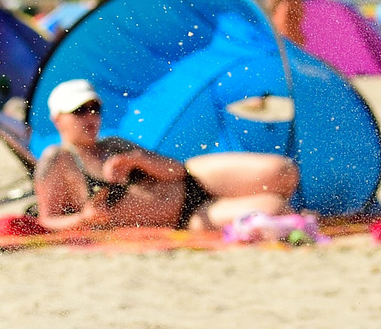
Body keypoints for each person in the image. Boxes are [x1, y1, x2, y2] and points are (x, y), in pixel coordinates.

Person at [33, 78, 300, 232]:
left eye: (94, 108)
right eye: (79, 111)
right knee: (277, 208)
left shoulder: (113, 143)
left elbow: (177, 171)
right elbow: (46, 220)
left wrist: (138, 160)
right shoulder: (58, 160)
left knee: (284, 172)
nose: (90, 117)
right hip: (187, 216)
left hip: (195, 180)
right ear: (57, 120)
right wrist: (85, 219)